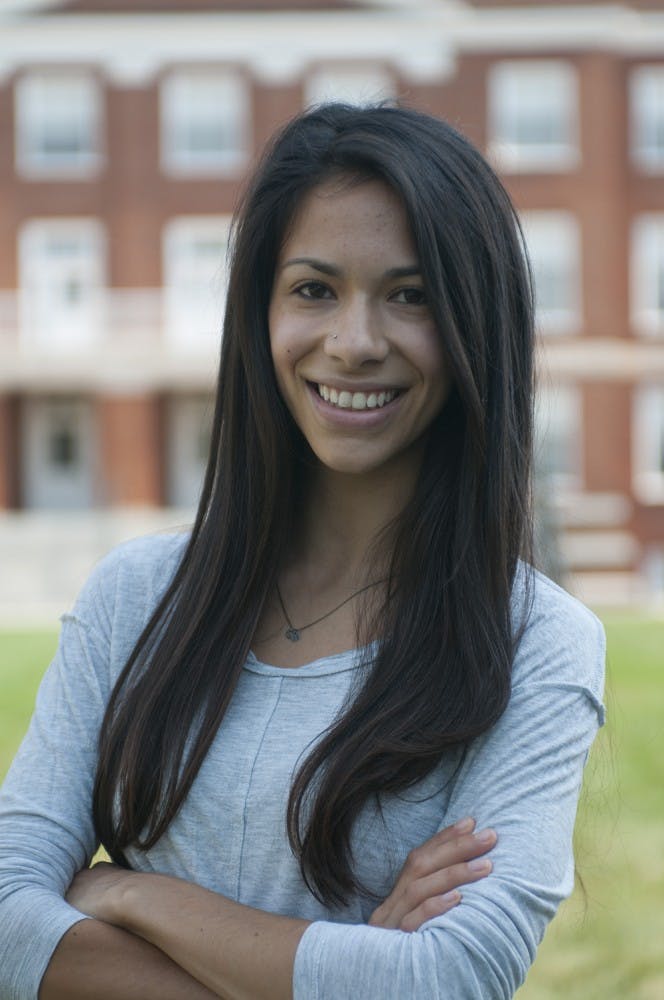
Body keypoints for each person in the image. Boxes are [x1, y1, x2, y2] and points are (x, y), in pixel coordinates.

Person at [0, 104, 605, 1000]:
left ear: (475, 321)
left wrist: (129, 891)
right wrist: (350, 961)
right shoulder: (137, 597)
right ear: (261, 313)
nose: (354, 343)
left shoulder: (535, 643)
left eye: (411, 295)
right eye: (314, 289)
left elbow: (448, 979)